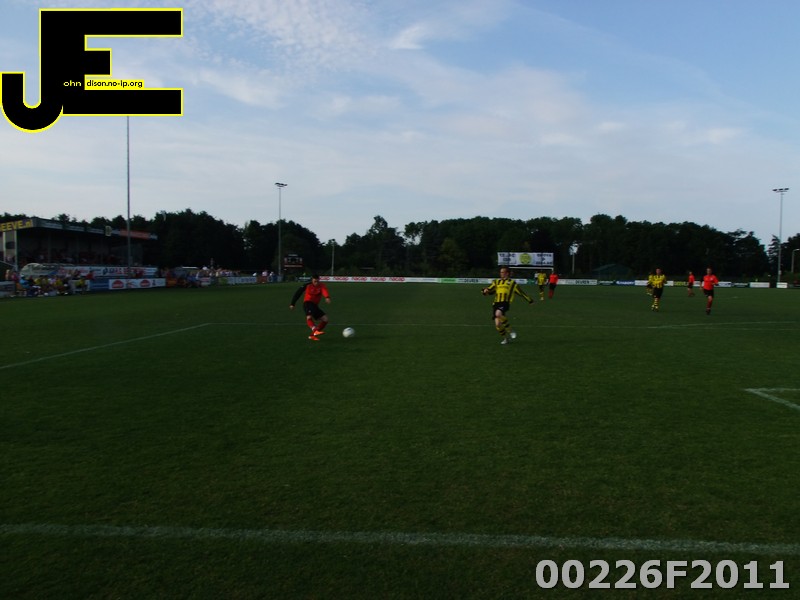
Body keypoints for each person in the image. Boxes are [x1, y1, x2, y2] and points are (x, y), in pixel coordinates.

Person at [481, 267, 534, 345]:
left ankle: (510, 330)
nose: (501, 274)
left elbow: (521, 293)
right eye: (500, 272)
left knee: (498, 314)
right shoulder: (496, 282)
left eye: (503, 272)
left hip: (505, 302)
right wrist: (484, 291)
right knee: (498, 325)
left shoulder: (512, 283)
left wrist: (530, 300)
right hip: (496, 303)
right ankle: (505, 339)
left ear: (507, 273)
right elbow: (489, 290)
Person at [290, 274, 332, 341]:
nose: (316, 283)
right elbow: (298, 293)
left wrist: (327, 297)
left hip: (315, 306)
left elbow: (324, 291)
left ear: (319, 280)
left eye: (317, 281)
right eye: (315, 281)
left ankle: (312, 335)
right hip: (307, 303)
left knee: (325, 319)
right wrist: (293, 303)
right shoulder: (307, 285)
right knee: (309, 317)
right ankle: (315, 330)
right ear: (312, 280)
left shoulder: (321, 285)